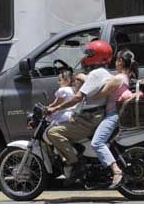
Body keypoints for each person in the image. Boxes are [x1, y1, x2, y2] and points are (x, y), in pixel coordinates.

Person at [46, 40, 113, 184]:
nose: (85, 57)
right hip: (92, 115)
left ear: (97, 56)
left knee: (53, 132)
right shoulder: (104, 72)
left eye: (89, 53)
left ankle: (76, 164)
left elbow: (77, 97)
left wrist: (56, 108)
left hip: (89, 119)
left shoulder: (96, 74)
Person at [90, 49, 138, 189]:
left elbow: (101, 93)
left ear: (121, 62)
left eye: (116, 60)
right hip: (115, 115)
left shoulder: (118, 79)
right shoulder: (125, 77)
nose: (114, 62)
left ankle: (116, 171)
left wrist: (84, 94)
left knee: (97, 143)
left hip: (113, 116)